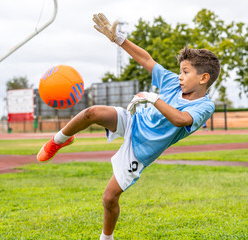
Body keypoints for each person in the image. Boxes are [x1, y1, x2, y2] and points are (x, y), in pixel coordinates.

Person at [37, 13, 221, 240]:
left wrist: (153, 99)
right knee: (92, 112)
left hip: (142, 149)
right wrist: (118, 38)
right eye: (180, 71)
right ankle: (58, 140)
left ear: (203, 78)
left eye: (185, 72)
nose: (179, 76)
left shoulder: (205, 106)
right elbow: (146, 60)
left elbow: (181, 119)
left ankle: (106, 238)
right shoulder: (173, 82)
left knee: (109, 198)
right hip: (134, 119)